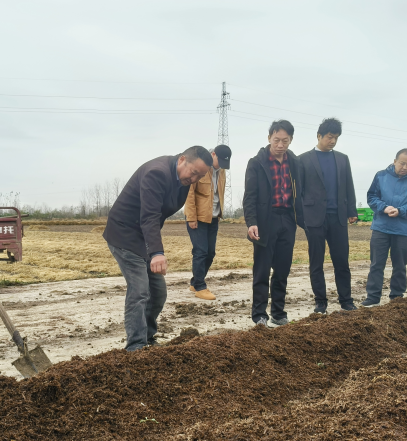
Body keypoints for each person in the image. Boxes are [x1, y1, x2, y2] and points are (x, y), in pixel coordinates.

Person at [103, 146, 212, 351]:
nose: (194, 179)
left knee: (158, 292)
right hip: (124, 233)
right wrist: (156, 253)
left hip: (143, 235)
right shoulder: (156, 173)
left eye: (200, 176)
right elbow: (150, 216)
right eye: (194, 172)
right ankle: (136, 346)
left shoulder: (183, 180)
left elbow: (158, 215)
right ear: (182, 160)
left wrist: (152, 248)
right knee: (140, 290)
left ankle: (147, 338)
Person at [243, 120, 304, 328]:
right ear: (269, 137)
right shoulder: (257, 163)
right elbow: (250, 196)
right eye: (276, 140)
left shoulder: (294, 162)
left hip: (287, 218)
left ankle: (278, 313)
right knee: (261, 270)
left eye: (285, 141)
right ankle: (259, 315)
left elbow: (301, 192)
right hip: (265, 219)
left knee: (282, 269)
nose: (280, 145)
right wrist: (251, 222)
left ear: (291, 140)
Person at [298, 117, 358, 314]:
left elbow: (349, 185)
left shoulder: (342, 159)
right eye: (330, 137)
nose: (333, 141)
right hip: (314, 218)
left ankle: (346, 301)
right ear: (319, 136)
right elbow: (299, 191)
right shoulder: (303, 159)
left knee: (342, 261)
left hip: (338, 217)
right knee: (316, 262)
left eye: (336, 138)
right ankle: (321, 302)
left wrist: (352, 211)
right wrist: (302, 217)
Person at [362, 148, 407, 307]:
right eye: (402, 163)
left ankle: (397, 297)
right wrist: (384, 208)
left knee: (400, 265)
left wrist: (401, 211)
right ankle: (373, 297)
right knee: (376, 264)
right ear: (395, 161)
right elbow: (372, 196)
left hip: (403, 229)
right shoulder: (381, 176)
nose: (405, 167)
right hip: (381, 227)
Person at [184, 144, 232, 301]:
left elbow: (219, 193)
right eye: (220, 161)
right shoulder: (201, 168)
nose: (221, 166)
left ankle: (195, 282)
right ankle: (200, 287)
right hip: (198, 217)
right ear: (213, 154)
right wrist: (191, 217)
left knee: (210, 253)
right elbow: (189, 193)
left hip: (213, 217)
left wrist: (219, 213)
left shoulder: (222, 171)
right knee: (201, 251)